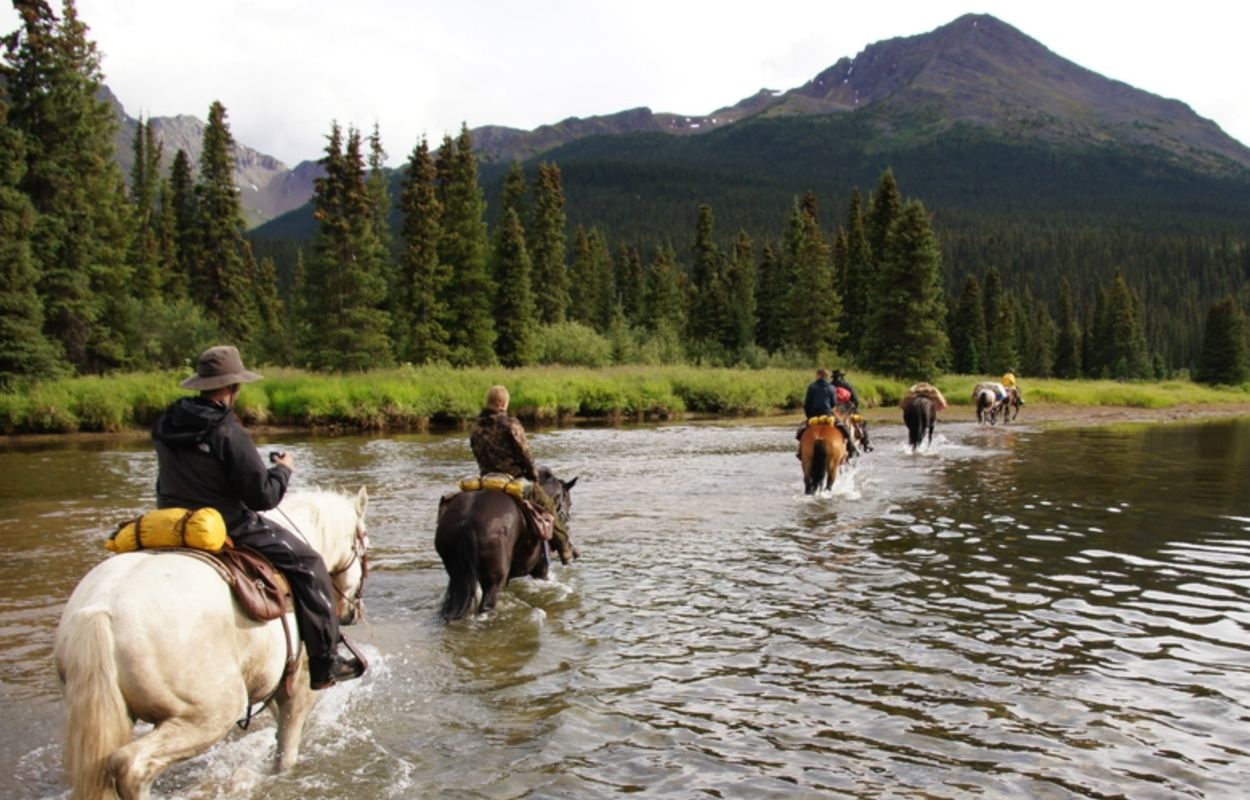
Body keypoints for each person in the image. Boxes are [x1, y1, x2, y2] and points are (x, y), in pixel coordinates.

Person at [151, 345, 364, 691]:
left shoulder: (166, 422)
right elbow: (262, 497)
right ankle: (326, 661)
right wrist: (282, 470)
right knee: (309, 564)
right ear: (234, 387)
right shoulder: (226, 430)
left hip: (172, 520)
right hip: (226, 522)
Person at [469, 385, 579, 565]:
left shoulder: (475, 426)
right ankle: (564, 548)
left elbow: (477, 451)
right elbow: (526, 454)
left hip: (486, 479)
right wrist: (533, 478)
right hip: (512, 479)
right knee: (549, 506)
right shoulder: (510, 424)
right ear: (503, 404)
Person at [796, 368, 859, 458]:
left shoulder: (811, 387)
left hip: (814, 414)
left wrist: (809, 416)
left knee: (801, 431)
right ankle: (852, 448)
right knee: (845, 429)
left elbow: (807, 404)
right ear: (826, 376)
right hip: (828, 414)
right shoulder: (832, 387)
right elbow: (833, 403)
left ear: (819, 375)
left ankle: (800, 451)